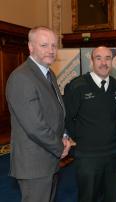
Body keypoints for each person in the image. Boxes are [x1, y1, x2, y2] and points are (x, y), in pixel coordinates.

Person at [5, 26, 72, 202]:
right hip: (34, 165)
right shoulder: (22, 77)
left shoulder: (49, 74)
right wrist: (60, 147)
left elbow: (58, 111)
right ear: (30, 47)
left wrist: (64, 136)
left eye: (53, 45)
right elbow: (35, 126)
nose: (50, 50)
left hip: (49, 160)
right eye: (44, 45)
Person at [63, 46, 116, 202]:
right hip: (88, 156)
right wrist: (82, 139)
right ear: (91, 61)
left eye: (108, 58)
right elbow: (66, 117)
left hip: (113, 154)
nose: (104, 63)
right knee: (88, 197)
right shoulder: (77, 85)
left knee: (112, 197)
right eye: (98, 58)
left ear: (112, 61)